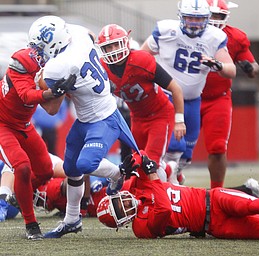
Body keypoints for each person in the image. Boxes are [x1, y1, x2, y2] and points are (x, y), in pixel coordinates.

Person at [28, 16, 140, 239]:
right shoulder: (77, 34)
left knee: (86, 163)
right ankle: (71, 219)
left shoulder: (57, 67)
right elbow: (89, 35)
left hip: (104, 118)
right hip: (85, 118)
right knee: (71, 169)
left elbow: (50, 109)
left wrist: (54, 90)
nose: (37, 52)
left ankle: (117, 173)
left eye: (40, 47)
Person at [97, 152, 259, 240]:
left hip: (212, 199)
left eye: (119, 203)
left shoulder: (134, 185)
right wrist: (153, 175)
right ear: (121, 223)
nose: (124, 206)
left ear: (119, 195)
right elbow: (163, 208)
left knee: (253, 206)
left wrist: (134, 163)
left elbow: (142, 156)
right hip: (213, 226)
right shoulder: (141, 228)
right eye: (120, 212)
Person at [140, 0, 236, 183]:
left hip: (193, 100)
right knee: (172, 146)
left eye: (198, 19)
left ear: (206, 19)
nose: (193, 23)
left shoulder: (214, 37)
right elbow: (142, 56)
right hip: (165, 96)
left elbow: (231, 70)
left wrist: (217, 65)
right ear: (181, 17)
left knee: (185, 154)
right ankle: (165, 186)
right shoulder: (166, 31)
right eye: (190, 17)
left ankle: (173, 176)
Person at [0, 18, 76, 239]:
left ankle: (19, 194)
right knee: (22, 167)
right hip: (3, 124)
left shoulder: (49, 62)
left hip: (23, 124)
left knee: (43, 170)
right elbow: (26, 94)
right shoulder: (22, 60)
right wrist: (51, 93)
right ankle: (31, 224)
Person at [97, 24, 186, 183]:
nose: (113, 50)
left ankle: (161, 202)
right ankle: (170, 169)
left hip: (159, 114)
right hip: (137, 118)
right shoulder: (102, 69)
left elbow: (176, 88)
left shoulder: (141, 60)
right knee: (136, 163)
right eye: (108, 47)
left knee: (150, 164)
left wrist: (179, 121)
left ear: (125, 42)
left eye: (116, 44)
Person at [201, 0, 259, 189]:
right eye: (211, 15)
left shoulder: (234, 37)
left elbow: (254, 67)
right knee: (176, 149)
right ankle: (171, 189)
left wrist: (250, 68)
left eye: (219, 16)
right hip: (188, 98)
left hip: (218, 98)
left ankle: (216, 192)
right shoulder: (187, 34)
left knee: (218, 149)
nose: (215, 20)